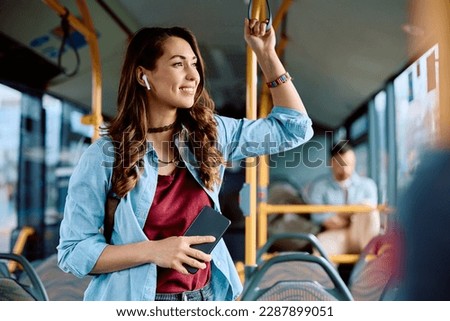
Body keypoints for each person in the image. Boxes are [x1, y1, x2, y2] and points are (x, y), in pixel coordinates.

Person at [57, 19, 314, 301]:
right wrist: (155, 250)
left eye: (194, 64)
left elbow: (294, 128)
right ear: (144, 76)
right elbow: (73, 251)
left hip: (208, 295)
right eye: (179, 64)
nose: (194, 75)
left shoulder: (211, 134)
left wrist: (266, 53)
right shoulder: (105, 155)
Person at [304, 141, 380, 256]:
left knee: (370, 212)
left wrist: (337, 213)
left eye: (350, 164)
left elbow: (369, 214)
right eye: (341, 163)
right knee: (321, 250)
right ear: (332, 162)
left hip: (361, 234)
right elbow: (326, 221)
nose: (346, 169)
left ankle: (371, 268)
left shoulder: (368, 185)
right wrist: (353, 212)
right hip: (335, 234)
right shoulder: (319, 187)